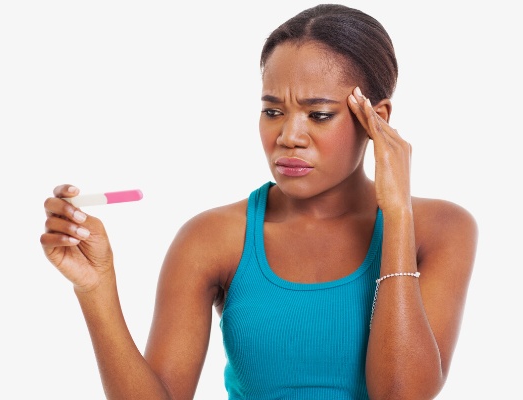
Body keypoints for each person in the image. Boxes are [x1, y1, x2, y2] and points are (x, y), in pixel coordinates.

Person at [40, 4, 478, 399]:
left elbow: (402, 395)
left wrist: (397, 214)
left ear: (375, 119)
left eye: (319, 114)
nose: (288, 136)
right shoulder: (212, 238)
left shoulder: (442, 229)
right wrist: (94, 287)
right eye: (273, 111)